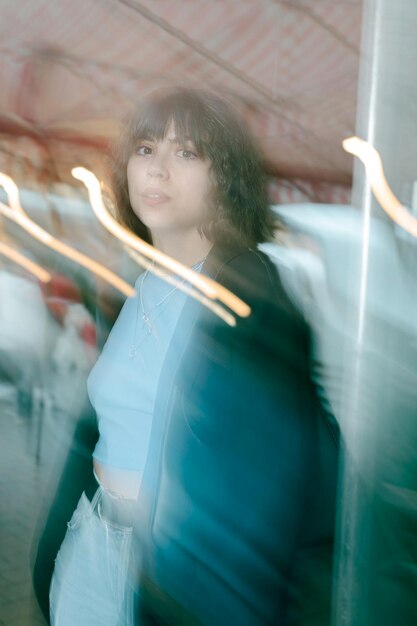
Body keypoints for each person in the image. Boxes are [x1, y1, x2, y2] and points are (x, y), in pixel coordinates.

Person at [48, 87, 339, 625]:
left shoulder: (250, 299)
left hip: (175, 576)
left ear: (223, 180)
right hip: (95, 541)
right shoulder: (133, 288)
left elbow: (272, 482)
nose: (157, 169)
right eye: (145, 149)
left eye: (186, 153)